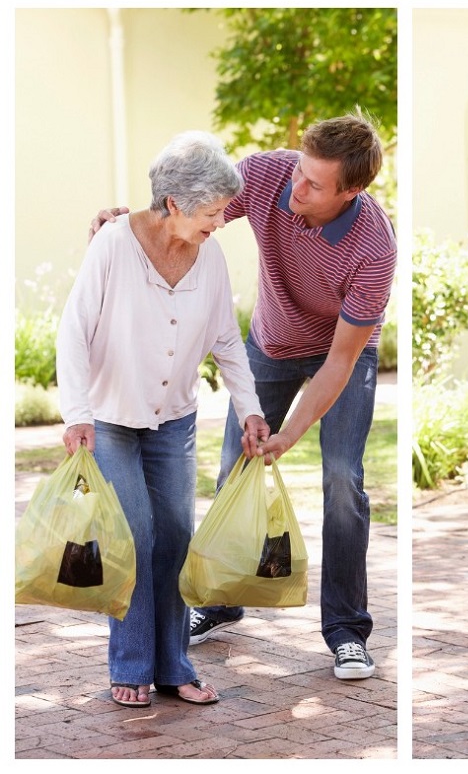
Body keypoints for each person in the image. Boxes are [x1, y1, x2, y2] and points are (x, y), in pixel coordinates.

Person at [91, 112, 396, 680]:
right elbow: (185, 214)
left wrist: (289, 434)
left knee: (341, 479)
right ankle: (220, 600)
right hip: (272, 342)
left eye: (314, 184)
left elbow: (338, 362)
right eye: (299, 171)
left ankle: (347, 630)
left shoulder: (374, 248)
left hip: (341, 354)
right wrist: (127, 224)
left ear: (351, 191)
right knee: (233, 468)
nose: (295, 187)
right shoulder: (265, 175)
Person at [59, 131, 269, 708]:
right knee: (135, 535)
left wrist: (250, 408)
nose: (221, 221)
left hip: (174, 418)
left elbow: (227, 339)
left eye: (225, 209)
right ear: (173, 204)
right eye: (212, 211)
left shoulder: (211, 255)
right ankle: (130, 665)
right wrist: (76, 412)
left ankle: (175, 665)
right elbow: (73, 331)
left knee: (177, 537)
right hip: (109, 418)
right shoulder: (113, 245)